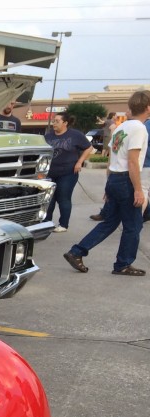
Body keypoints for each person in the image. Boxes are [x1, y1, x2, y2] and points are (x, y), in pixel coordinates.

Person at [63, 90, 150, 277]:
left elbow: (112, 159)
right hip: (127, 180)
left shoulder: (121, 127)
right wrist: (138, 189)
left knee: (110, 222)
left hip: (115, 178)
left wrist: (109, 184)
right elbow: (133, 161)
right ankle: (123, 264)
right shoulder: (139, 129)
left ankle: (77, 251)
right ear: (148, 108)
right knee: (133, 226)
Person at [43, 112, 93, 233]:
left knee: (63, 197)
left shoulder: (75, 135)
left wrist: (79, 162)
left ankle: (63, 224)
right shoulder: (48, 137)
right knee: (49, 199)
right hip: (50, 172)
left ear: (65, 123)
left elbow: (88, 148)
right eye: (54, 121)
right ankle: (46, 223)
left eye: (57, 121)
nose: (54, 123)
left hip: (68, 172)